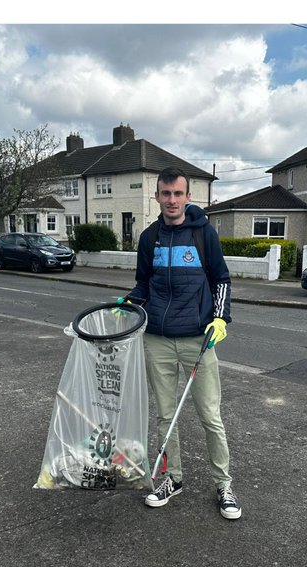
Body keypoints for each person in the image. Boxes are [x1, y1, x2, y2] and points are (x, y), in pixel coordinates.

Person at [122, 169, 239, 519]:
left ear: (188, 197)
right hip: (157, 338)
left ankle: (223, 484)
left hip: (197, 340)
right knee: (165, 416)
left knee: (210, 417)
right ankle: (172, 478)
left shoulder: (204, 234)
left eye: (177, 193)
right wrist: (126, 304)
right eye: (165, 193)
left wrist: (220, 318)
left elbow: (221, 280)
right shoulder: (149, 237)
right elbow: (143, 285)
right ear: (156, 197)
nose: (171, 200)